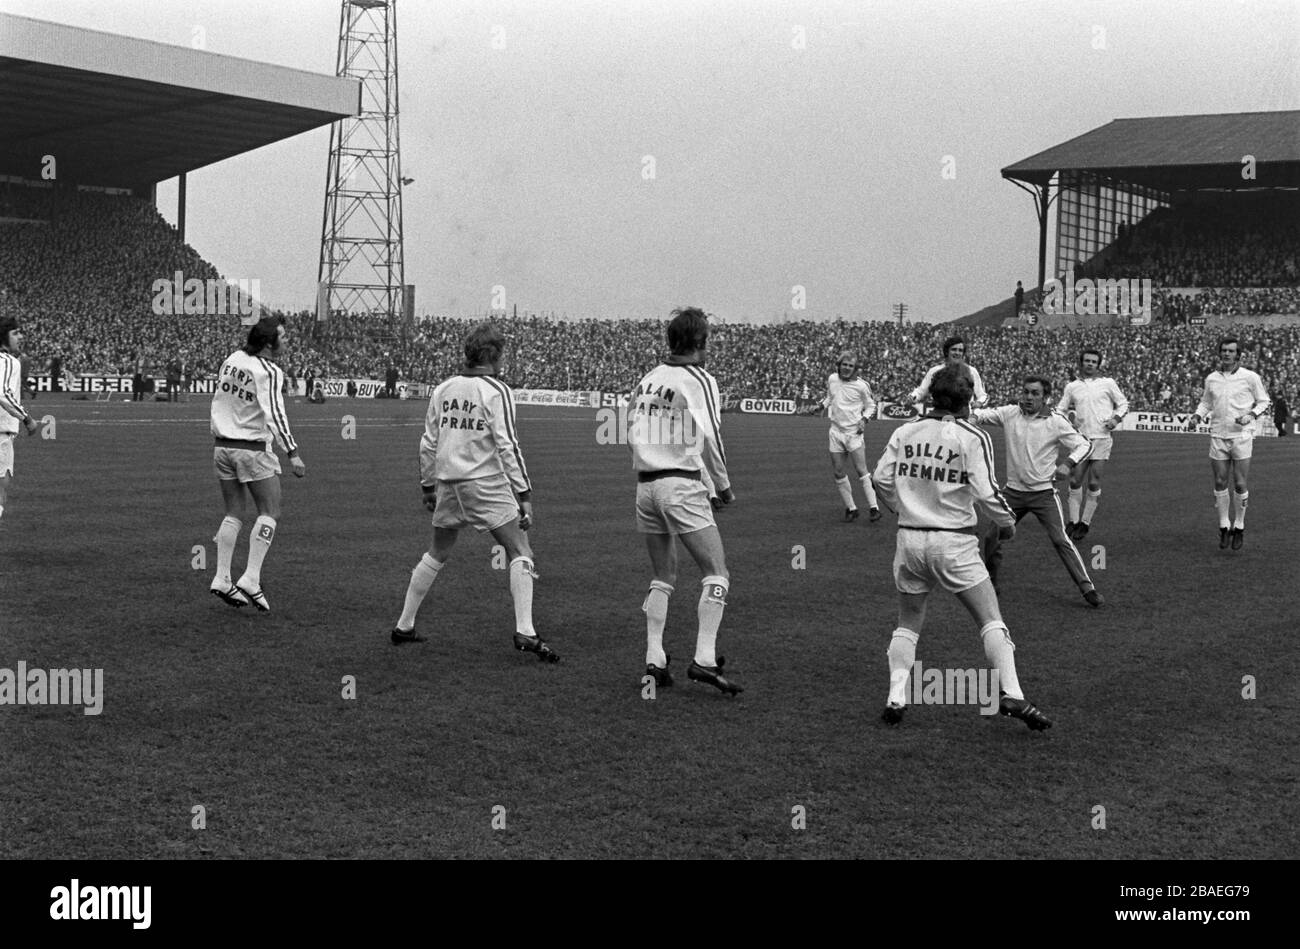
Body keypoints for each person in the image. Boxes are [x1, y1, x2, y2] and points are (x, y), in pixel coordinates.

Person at [872, 365, 1050, 730]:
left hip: (909, 539)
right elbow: (988, 493)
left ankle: (896, 696)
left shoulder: (905, 431)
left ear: (932, 397)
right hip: (954, 541)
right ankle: (1013, 693)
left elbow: (879, 478)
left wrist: (899, 507)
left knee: (908, 622)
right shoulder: (972, 436)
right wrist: (1007, 524)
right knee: (990, 619)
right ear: (968, 400)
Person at [390, 323, 559, 662]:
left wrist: (427, 486)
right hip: (484, 483)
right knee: (520, 550)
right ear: (493, 356)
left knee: (437, 551)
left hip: (448, 483)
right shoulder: (496, 391)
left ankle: (404, 625)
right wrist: (524, 493)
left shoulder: (443, 389)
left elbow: (428, 443)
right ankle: (525, 631)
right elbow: (507, 445)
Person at [630, 306, 740, 695]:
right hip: (679, 484)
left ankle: (654, 659)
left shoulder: (648, 379)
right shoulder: (699, 379)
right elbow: (711, 437)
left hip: (645, 486)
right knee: (717, 572)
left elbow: (638, 429)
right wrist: (722, 487)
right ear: (698, 341)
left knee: (664, 575)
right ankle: (705, 659)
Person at [974, 375, 1103, 607]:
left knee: (1060, 539)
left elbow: (1085, 444)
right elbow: (981, 415)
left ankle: (1087, 588)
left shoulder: (1056, 421)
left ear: (1045, 397)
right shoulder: (1010, 413)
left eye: (1035, 393)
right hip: (1012, 493)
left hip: (1043, 494)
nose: (1028, 397)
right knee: (992, 537)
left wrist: (1068, 463)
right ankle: (990, 582)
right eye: (1025, 392)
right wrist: (962, 416)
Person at [208, 315, 306, 611]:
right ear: (268, 343)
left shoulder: (233, 359)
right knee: (270, 511)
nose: (286, 341)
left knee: (233, 513)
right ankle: (250, 577)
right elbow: (276, 414)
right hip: (251, 448)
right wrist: (292, 452)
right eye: (282, 336)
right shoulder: (269, 371)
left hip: (222, 446)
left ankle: (222, 578)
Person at [1186, 337, 1270, 550]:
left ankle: (1239, 526)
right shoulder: (1212, 378)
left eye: (1231, 351)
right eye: (1224, 350)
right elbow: (1206, 402)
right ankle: (1224, 527)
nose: (1226, 354)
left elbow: (1264, 401)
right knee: (1220, 482)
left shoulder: (1250, 377)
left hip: (1241, 435)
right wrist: (1197, 416)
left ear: (1238, 355)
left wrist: (1250, 416)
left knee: (1240, 483)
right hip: (1217, 435)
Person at [1056, 348, 1129, 540]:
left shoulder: (1108, 383)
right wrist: (1068, 426)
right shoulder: (1072, 386)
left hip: (1102, 438)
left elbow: (1123, 404)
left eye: (1093, 362)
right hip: (1081, 440)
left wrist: (1115, 419)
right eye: (1087, 361)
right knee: (1074, 479)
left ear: (1098, 365)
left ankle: (1085, 523)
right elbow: (1060, 409)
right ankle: (1073, 521)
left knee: (1094, 480)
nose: (1090, 364)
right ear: (1081, 363)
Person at [822, 351, 880, 521]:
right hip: (836, 432)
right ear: (839, 365)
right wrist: (820, 406)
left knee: (861, 470)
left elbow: (871, 406)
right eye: (844, 365)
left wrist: (864, 419)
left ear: (855, 368)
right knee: (838, 471)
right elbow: (830, 397)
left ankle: (874, 508)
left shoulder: (862, 385)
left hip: (854, 433)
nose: (846, 368)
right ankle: (851, 508)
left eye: (850, 366)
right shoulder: (832, 379)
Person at [0, 316, 42, 530]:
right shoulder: (8, 361)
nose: (20, 337)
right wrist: (27, 419)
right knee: (1, 488)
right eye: (15, 333)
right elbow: (4, 394)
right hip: (1, 435)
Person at [909, 336, 988, 410]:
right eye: (954, 349)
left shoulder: (971, 371)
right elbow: (921, 392)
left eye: (960, 350)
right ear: (947, 352)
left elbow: (982, 395)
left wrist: (979, 403)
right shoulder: (934, 371)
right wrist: (912, 397)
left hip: (963, 416)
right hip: (939, 416)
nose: (957, 353)